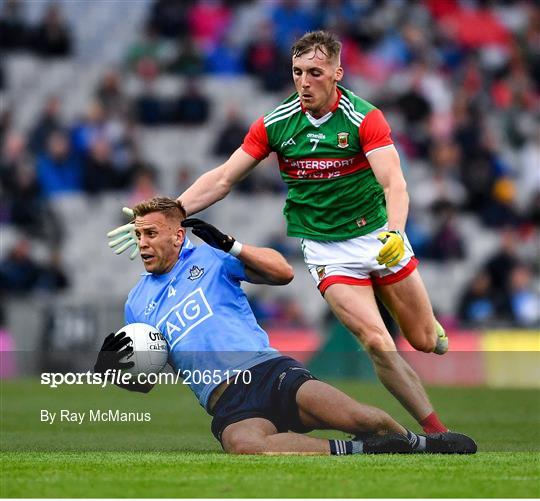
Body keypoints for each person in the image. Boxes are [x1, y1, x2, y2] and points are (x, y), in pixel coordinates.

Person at [107, 31, 450, 434]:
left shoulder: (364, 118)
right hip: (327, 251)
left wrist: (395, 231)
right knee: (375, 340)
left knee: (424, 339)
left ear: (338, 73)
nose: (304, 82)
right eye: (297, 72)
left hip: (378, 237)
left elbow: (394, 183)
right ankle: (436, 432)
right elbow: (222, 179)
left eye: (315, 72)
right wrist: (169, 217)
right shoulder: (277, 123)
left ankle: (433, 334)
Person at [99, 196, 475, 455]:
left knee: (364, 418)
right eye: (138, 235)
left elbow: (282, 273)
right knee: (245, 446)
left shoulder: (211, 257)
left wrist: (232, 246)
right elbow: (146, 375)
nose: (142, 243)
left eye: (151, 234)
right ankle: (362, 451)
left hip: (268, 371)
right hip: (226, 401)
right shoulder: (136, 302)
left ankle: (424, 445)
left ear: (178, 235)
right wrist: (121, 370)